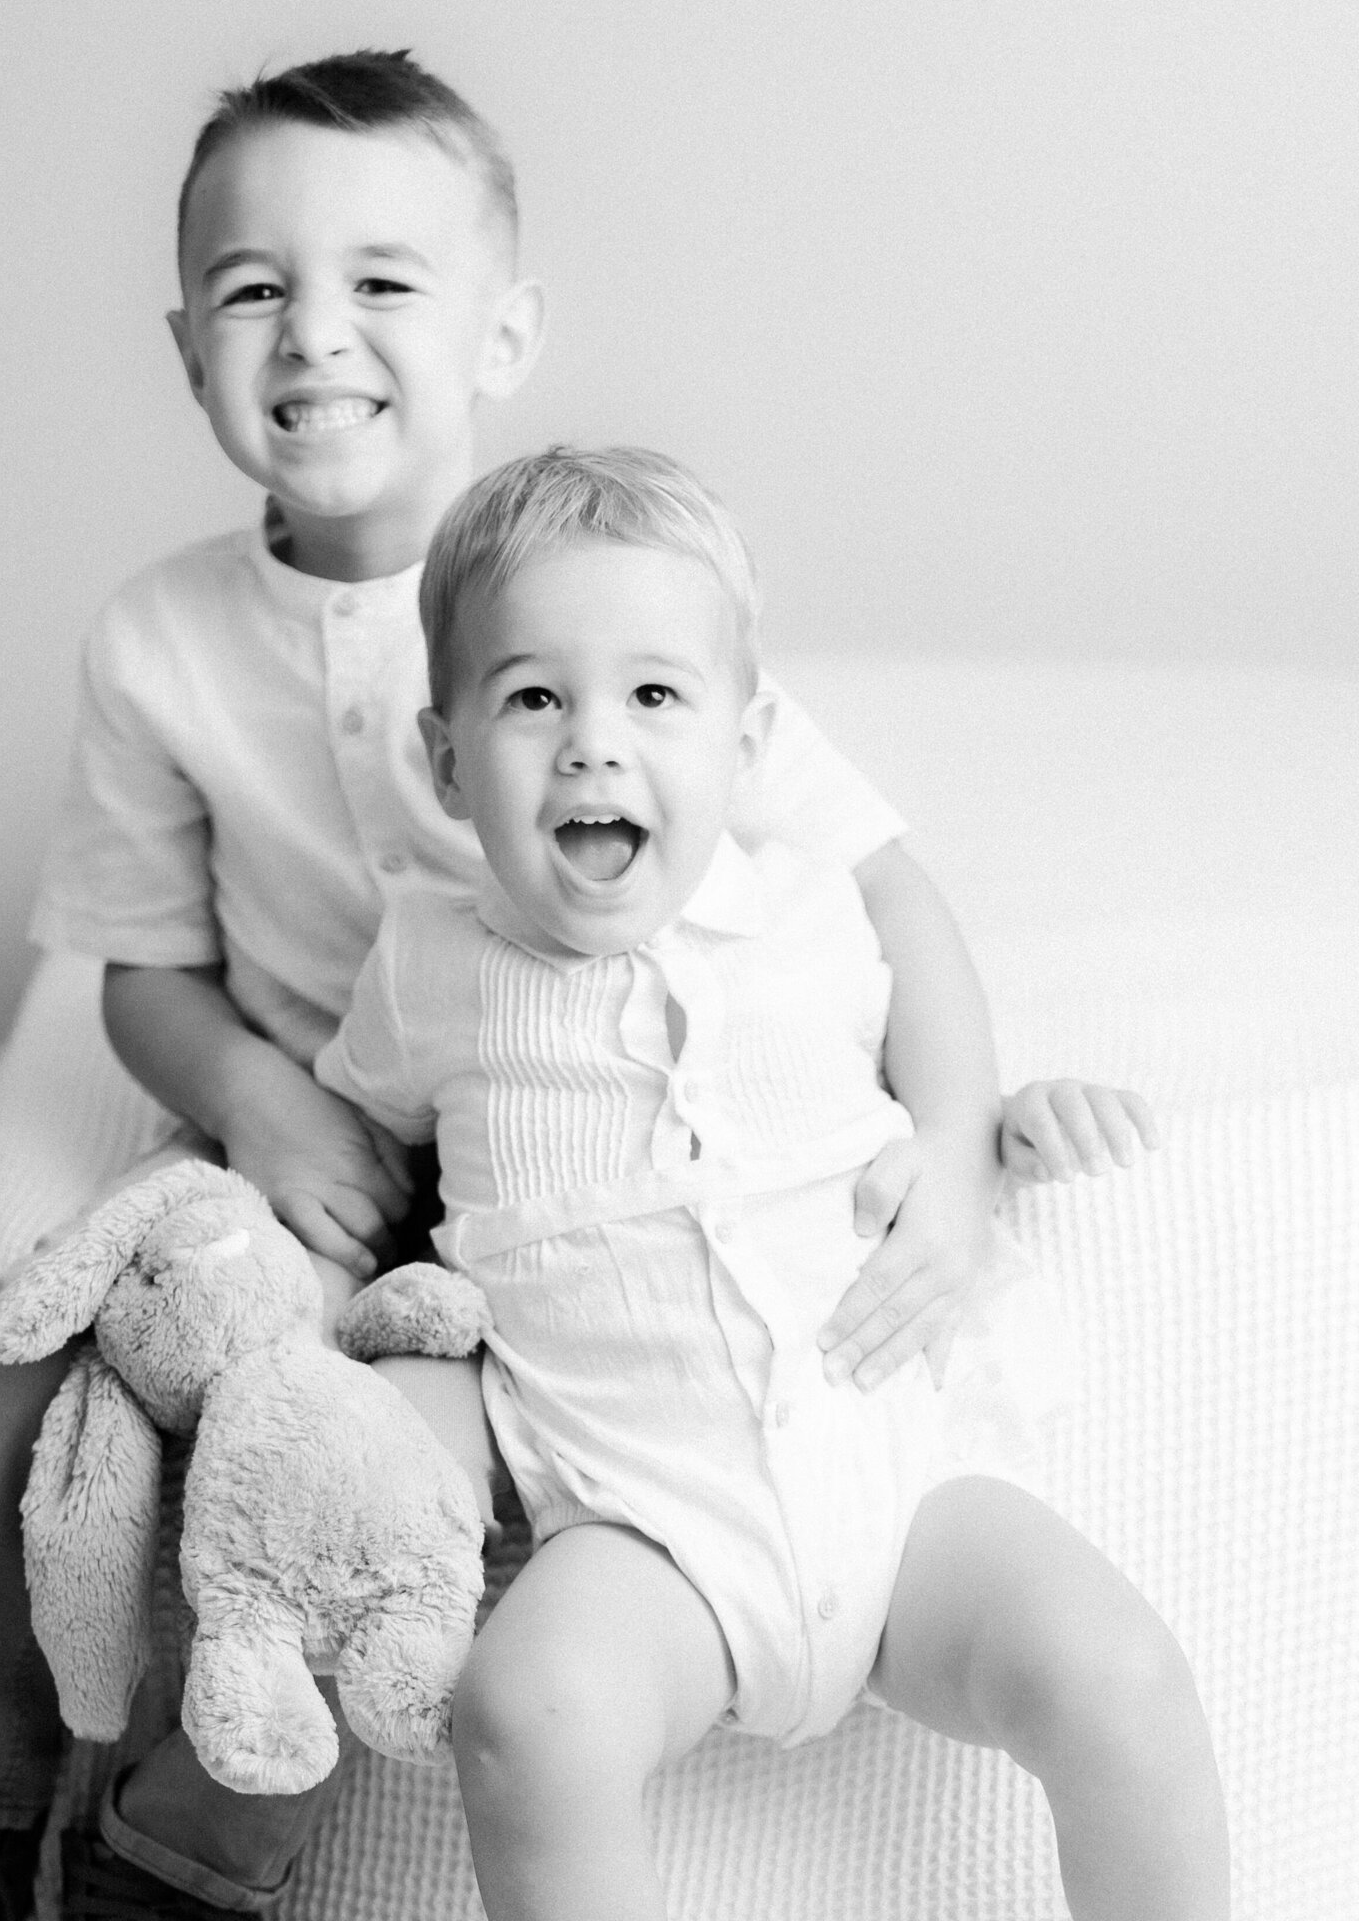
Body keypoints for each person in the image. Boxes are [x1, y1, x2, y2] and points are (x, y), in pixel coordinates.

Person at [0, 52, 1153, 1921]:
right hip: (319, 1138)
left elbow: (884, 896)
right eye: (253, 290)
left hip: (531, 1199)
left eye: (384, 282)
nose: (317, 335)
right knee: (29, 1355)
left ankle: (177, 1863)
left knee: (354, 1497)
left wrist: (953, 1147)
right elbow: (142, 974)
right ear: (186, 340)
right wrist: (258, 1099)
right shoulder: (158, 645)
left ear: (501, 328)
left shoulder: (588, 595)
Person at [315, 445, 1228, 1921]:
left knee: (1117, 1674)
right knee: (526, 1715)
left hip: (899, 1491)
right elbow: (348, 1142)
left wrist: (1011, 1118)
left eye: (654, 697)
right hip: (643, 1529)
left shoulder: (810, 919)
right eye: (534, 696)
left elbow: (924, 1096)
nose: (595, 747)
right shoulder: (429, 965)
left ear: (746, 749)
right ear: (444, 760)